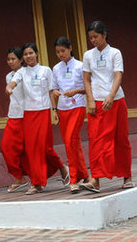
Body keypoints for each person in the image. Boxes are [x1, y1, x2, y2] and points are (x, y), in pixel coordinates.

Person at [6, 42, 69, 194]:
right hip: (28, 113)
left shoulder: (45, 70)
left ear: (36, 53)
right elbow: (14, 82)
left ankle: (61, 167)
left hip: (43, 112)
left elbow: (51, 90)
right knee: (32, 149)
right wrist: (9, 87)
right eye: (25, 54)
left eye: (30, 53)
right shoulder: (21, 72)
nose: (28, 57)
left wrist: (54, 109)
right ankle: (37, 183)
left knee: (44, 147)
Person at [81, 21, 134, 193]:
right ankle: (95, 179)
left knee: (120, 139)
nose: (93, 40)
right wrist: (90, 100)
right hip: (97, 102)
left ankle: (127, 176)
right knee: (96, 139)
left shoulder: (115, 53)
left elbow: (118, 75)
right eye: (91, 37)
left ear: (104, 35)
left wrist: (111, 96)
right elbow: (87, 79)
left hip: (116, 100)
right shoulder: (88, 55)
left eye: (96, 36)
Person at [51, 36, 87, 193]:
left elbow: (88, 87)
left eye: (63, 51)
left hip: (78, 105)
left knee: (70, 140)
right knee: (74, 142)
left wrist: (76, 91)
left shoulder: (80, 66)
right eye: (57, 52)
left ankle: (73, 179)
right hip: (63, 107)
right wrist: (55, 108)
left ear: (70, 48)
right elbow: (53, 90)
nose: (60, 54)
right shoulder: (56, 68)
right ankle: (84, 174)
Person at [2, 47, 29, 192]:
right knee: (6, 146)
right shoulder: (8, 76)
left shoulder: (26, 73)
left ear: (20, 60)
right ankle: (19, 177)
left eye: (13, 59)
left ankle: (58, 169)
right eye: (8, 59)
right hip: (13, 115)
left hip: (27, 115)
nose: (10, 62)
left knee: (29, 149)